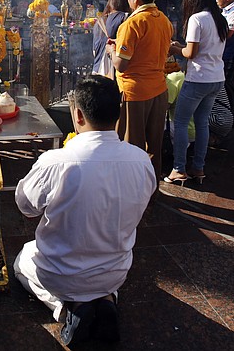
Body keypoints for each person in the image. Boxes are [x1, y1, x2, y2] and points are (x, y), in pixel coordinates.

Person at [14, 75, 154, 345]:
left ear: (77, 115)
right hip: (115, 272)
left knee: (23, 259)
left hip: (60, 275)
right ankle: (106, 300)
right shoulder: (141, 161)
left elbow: (25, 207)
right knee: (102, 284)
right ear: (119, 112)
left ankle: (68, 309)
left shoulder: (56, 162)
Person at [109, 0, 173, 178]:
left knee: (132, 146)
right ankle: (152, 190)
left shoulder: (132, 23)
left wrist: (111, 50)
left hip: (134, 92)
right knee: (154, 145)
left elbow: (121, 65)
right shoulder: (164, 19)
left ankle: (132, 192)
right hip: (159, 89)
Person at [164, 0, 227, 183]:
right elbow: (203, 50)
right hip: (216, 77)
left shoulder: (196, 19)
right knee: (202, 123)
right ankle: (198, 168)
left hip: (198, 79)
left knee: (181, 122)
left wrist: (175, 49)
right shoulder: (220, 19)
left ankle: (178, 168)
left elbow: (191, 54)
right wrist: (182, 46)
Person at [92, 0, 129, 76]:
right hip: (113, 73)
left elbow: (94, 51)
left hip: (97, 70)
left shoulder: (99, 21)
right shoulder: (126, 18)